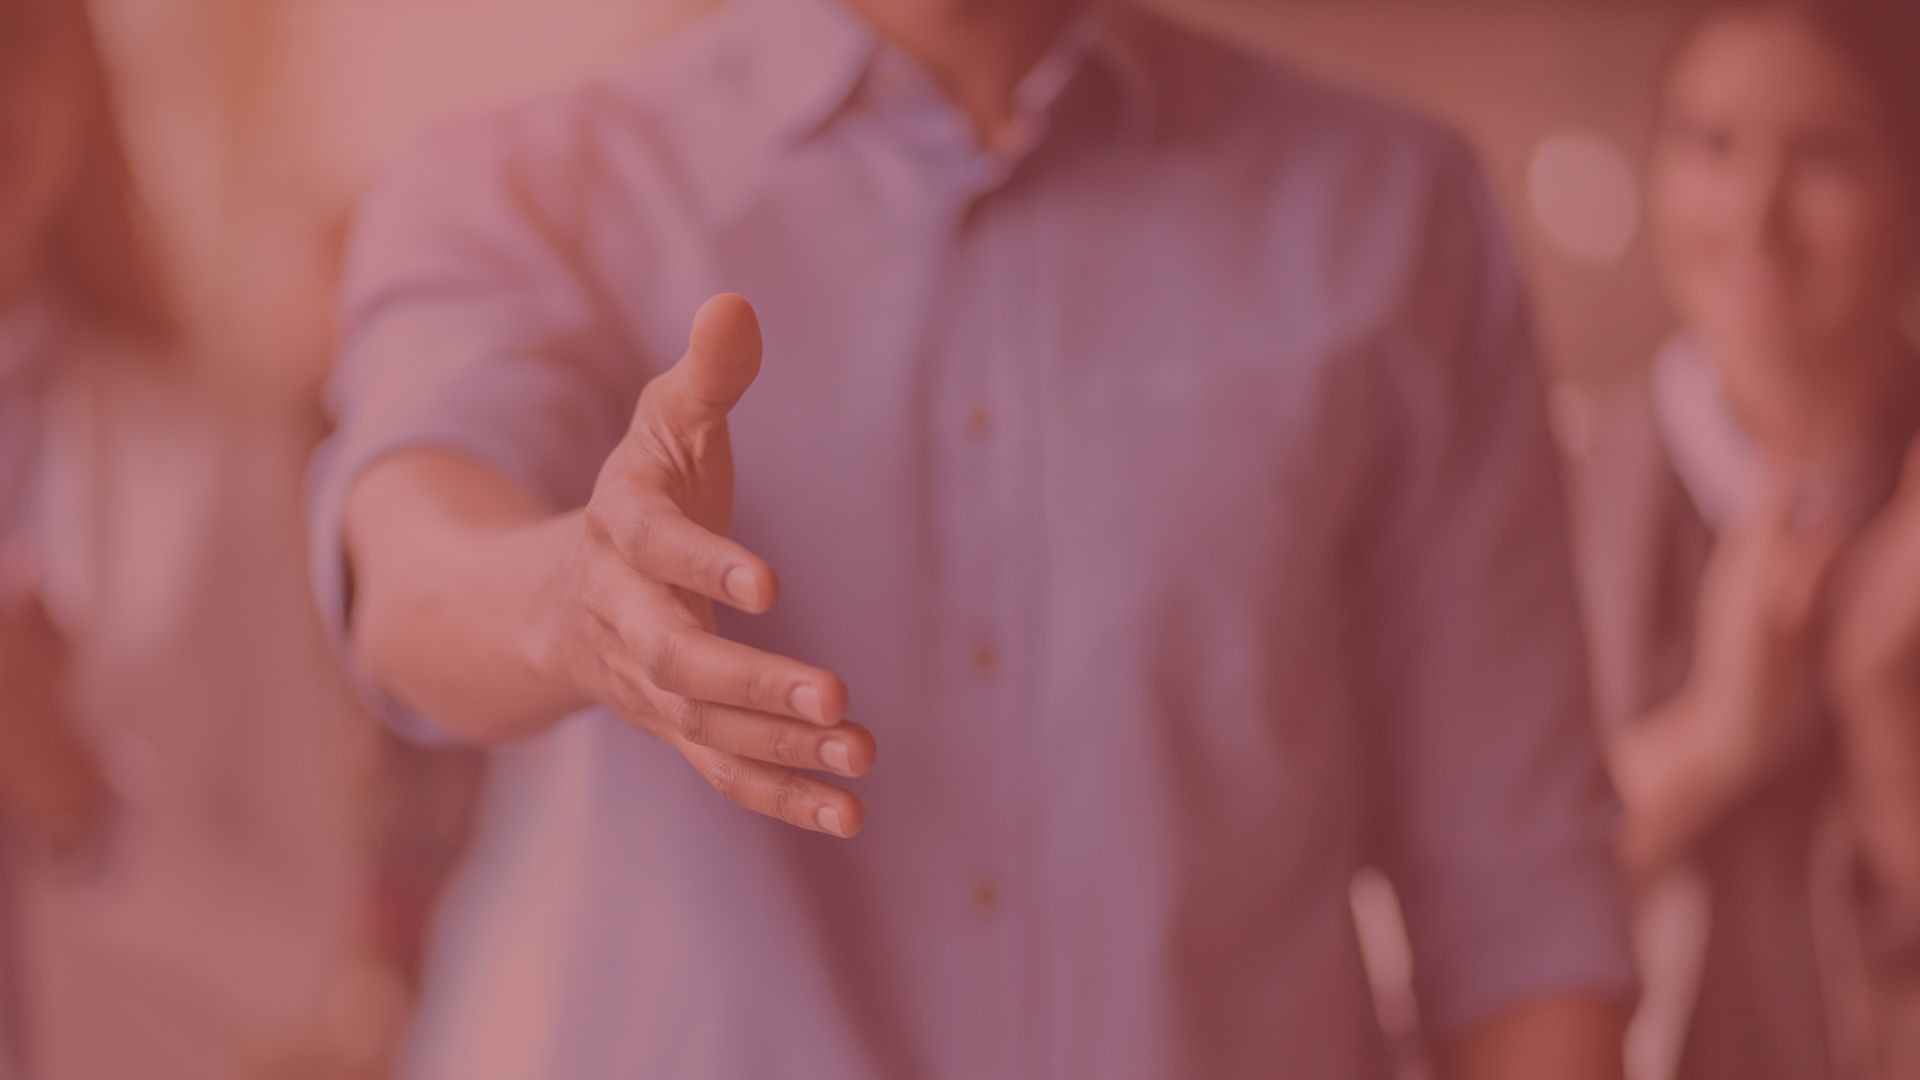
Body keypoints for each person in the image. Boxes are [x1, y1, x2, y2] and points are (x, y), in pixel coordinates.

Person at [315, 0, 1640, 1075]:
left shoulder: (1396, 217)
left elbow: (1518, 900)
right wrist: (574, 604)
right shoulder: (530, 182)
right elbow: (412, 549)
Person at [0, 1, 372, 1076]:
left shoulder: (220, 464)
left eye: (21, 42)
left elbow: (306, 956)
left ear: (83, 94)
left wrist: (78, 792)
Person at [1559, 1, 1920, 1076]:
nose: (1752, 214)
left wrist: (1880, 711)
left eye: (1824, 154)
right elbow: (1456, 899)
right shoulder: (1545, 485)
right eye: (1709, 144)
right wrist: (1718, 737)